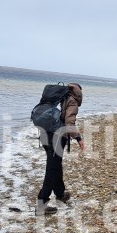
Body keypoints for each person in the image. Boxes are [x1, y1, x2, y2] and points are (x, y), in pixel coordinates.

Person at [36, 82, 85, 215]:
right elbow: (69, 123)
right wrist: (79, 138)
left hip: (45, 135)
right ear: (78, 92)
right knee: (52, 170)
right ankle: (41, 205)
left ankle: (60, 193)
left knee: (55, 166)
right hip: (56, 139)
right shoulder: (72, 101)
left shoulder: (58, 97)